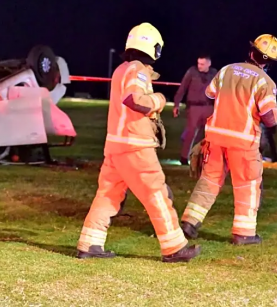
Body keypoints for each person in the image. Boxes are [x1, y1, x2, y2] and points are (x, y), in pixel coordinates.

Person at [77, 22, 201, 263]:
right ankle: (174, 246)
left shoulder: (122, 69)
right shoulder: (138, 70)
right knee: (156, 193)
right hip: (135, 145)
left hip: (116, 144)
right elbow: (134, 98)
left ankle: (90, 243)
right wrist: (158, 99)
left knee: (108, 194)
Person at [180, 34, 277, 245]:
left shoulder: (226, 70)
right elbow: (270, 118)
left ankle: (189, 222)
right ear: (269, 62)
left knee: (209, 181)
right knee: (247, 184)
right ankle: (244, 233)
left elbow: (210, 94)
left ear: (250, 51)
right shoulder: (265, 81)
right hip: (243, 143)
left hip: (215, 138)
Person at [173, 55, 218, 165]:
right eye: (198, 63)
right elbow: (182, 88)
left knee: (209, 134)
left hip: (209, 107)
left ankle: (206, 157)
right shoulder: (192, 72)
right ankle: (184, 157)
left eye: (202, 64)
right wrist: (176, 104)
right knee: (191, 132)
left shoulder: (214, 73)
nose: (200, 66)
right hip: (194, 107)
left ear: (209, 64)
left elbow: (220, 90)